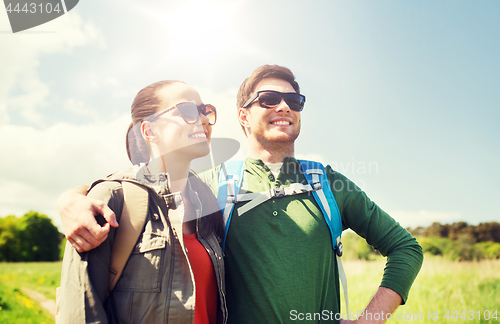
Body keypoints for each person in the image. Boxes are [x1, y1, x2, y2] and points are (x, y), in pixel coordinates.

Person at [58, 65, 423, 324]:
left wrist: (369, 320)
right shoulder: (210, 185)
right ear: (243, 116)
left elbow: (406, 248)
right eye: (269, 99)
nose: (284, 107)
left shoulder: (329, 185)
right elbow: (145, 186)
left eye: (294, 101)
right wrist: (71, 199)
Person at [57, 80, 227, 324]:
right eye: (188, 110)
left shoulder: (208, 202)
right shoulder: (110, 200)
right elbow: (82, 313)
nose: (201, 118)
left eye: (204, 110)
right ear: (149, 131)